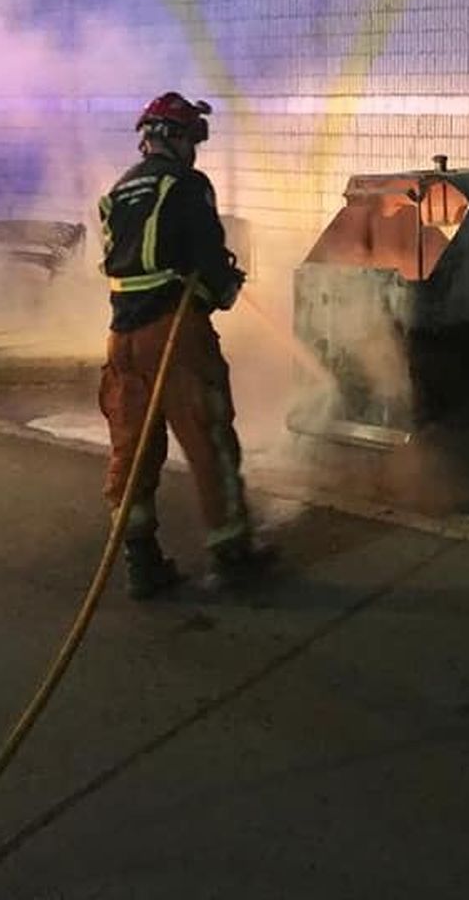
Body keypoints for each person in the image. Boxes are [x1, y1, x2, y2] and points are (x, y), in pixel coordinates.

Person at [97, 91, 273, 599]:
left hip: (122, 341)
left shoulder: (119, 190)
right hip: (174, 336)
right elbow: (208, 258)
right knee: (209, 439)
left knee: (132, 450)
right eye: (192, 139)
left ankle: (142, 562)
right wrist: (225, 287)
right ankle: (232, 555)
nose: (196, 151)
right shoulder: (187, 186)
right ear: (172, 138)